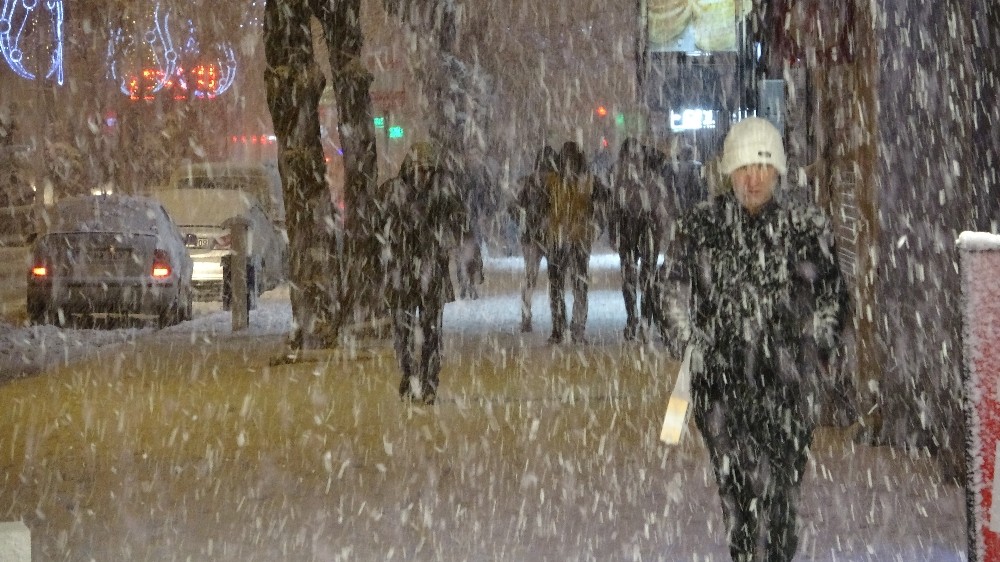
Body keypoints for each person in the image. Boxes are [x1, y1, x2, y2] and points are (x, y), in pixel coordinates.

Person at [654, 117, 849, 561]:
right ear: (728, 171)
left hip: (789, 389)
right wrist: (691, 344)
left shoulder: (805, 227)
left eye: (763, 166)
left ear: (778, 170)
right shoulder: (702, 226)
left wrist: (813, 349)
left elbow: (833, 298)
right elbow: (670, 291)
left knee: (781, 501)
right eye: (744, 167)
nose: (754, 178)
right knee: (737, 499)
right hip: (721, 389)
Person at [382, 141, 468, 405]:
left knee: (431, 330)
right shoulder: (394, 191)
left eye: (427, 169)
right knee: (403, 330)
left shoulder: (444, 192)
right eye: (419, 168)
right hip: (404, 271)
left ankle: (429, 380)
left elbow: (459, 223)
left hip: (430, 271)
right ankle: (409, 375)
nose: (423, 174)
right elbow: (380, 226)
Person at [607, 137, 669, 341]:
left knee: (638, 277)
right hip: (639, 229)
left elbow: (614, 207)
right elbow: (615, 207)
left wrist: (614, 232)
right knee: (640, 277)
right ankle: (640, 319)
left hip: (637, 228)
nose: (633, 159)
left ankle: (638, 319)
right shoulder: (643, 176)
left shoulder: (628, 175)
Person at [544, 141, 600, 344]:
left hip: (578, 238)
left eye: (572, 160)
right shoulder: (552, 182)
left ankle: (577, 327)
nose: (569, 164)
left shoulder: (587, 182)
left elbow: (597, 208)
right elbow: (543, 206)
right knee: (557, 285)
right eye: (566, 160)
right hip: (557, 239)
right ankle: (559, 327)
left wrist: (587, 225)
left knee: (579, 284)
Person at [512, 145, 557, 332]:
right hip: (549, 236)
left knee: (530, 277)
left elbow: (515, 207)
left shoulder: (528, 183)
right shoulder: (556, 184)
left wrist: (524, 225)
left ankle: (526, 316)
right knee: (554, 278)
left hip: (531, 236)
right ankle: (555, 318)